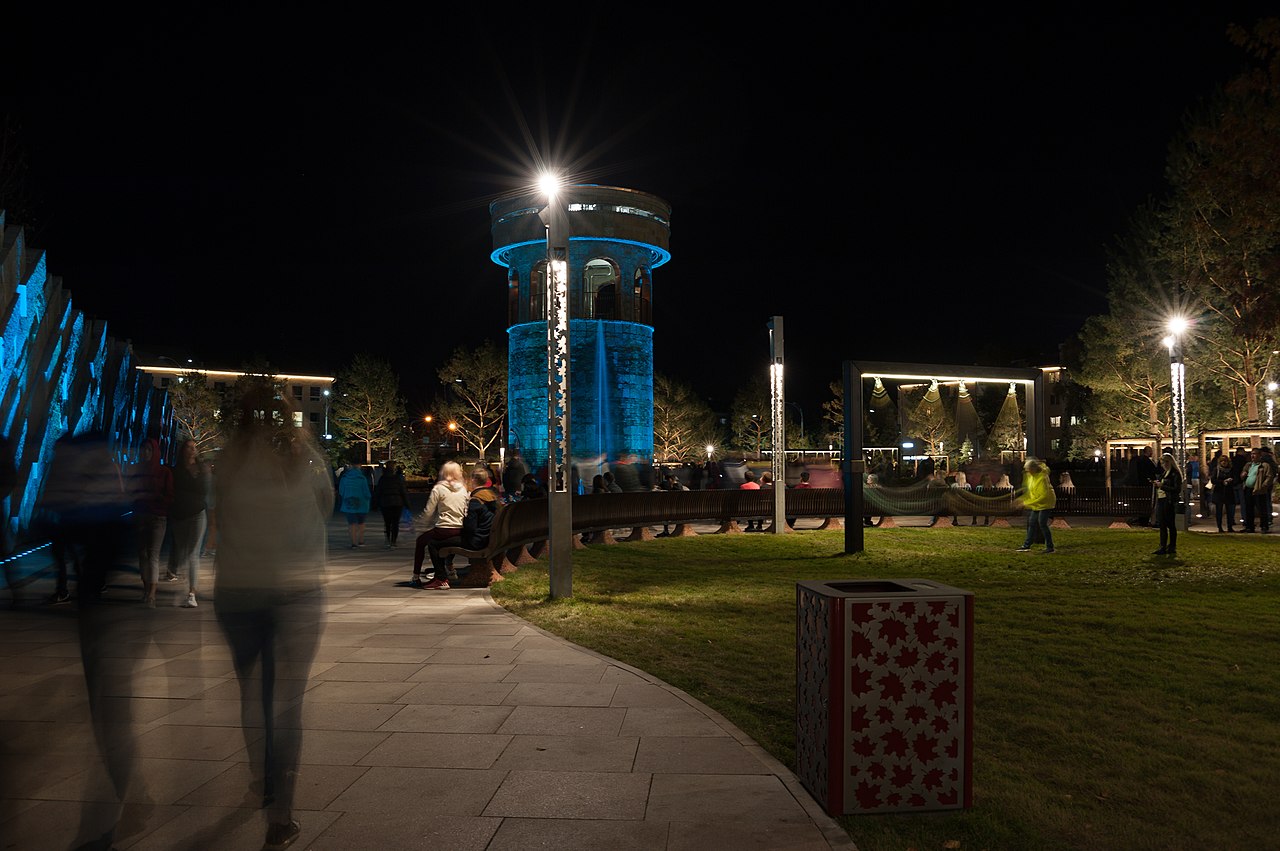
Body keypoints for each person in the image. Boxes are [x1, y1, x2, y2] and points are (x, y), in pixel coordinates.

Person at [214, 390, 333, 851]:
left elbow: (219, 510)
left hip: (238, 589)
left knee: (253, 694)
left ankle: (261, 777)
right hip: (296, 591)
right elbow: (326, 505)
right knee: (287, 702)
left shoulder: (229, 460)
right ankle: (280, 816)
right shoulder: (310, 461)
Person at [424, 465, 501, 589]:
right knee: (448, 540)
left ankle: (441, 579)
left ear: (473, 480)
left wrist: (462, 522)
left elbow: (470, 528)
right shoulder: (491, 496)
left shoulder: (476, 500)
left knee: (433, 544)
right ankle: (448, 570)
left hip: (477, 541)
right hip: (488, 538)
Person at [128, 437, 172, 606]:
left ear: (155, 452)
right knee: (142, 554)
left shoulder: (164, 472)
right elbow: (131, 491)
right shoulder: (137, 470)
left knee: (152, 555)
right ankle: (146, 589)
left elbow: (169, 495)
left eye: (149, 450)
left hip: (157, 517)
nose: (146, 453)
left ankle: (151, 594)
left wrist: (156, 498)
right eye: (143, 449)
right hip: (141, 516)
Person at [411, 461, 468, 588]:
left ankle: (416, 576)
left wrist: (422, 525)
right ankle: (449, 569)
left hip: (444, 528)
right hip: (459, 528)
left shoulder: (439, 488)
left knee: (421, 541)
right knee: (447, 542)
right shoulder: (463, 489)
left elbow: (429, 511)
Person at [169, 438, 210, 608]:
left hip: (198, 514)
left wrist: (203, 475)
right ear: (183, 450)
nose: (192, 450)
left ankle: (191, 594)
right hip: (179, 515)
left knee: (193, 553)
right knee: (184, 552)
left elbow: (206, 491)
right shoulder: (175, 470)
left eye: (194, 447)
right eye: (188, 447)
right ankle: (187, 587)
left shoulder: (202, 469)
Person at [1014, 457, 1056, 553]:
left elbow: (1043, 496)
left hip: (1046, 503)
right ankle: (1027, 545)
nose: (1027, 472)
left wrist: (1025, 503)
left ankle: (1050, 547)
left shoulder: (1042, 478)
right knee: (1032, 522)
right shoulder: (1031, 476)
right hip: (1037, 503)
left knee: (1042, 523)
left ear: (1033, 468)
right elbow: (1031, 492)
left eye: (1028, 469)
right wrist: (1021, 500)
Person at [374, 461, 410, 548]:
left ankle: (387, 539)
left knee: (387, 522)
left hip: (385, 503)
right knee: (395, 523)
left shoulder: (383, 479)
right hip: (397, 503)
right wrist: (407, 503)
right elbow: (403, 492)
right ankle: (393, 541)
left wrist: (375, 504)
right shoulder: (397, 478)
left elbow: (378, 492)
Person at [1153, 451, 1183, 555]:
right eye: (1162, 463)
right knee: (1162, 524)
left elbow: (1176, 489)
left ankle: (1171, 546)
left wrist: (1162, 486)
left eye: (1165, 462)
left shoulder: (1175, 474)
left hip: (1169, 500)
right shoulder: (1164, 473)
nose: (1163, 465)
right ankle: (1163, 546)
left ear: (1170, 462)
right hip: (1161, 499)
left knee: (1170, 524)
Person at [337, 461, 372, 547]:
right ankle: (361, 541)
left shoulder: (344, 478)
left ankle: (353, 542)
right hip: (362, 503)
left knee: (351, 523)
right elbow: (366, 492)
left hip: (348, 503)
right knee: (361, 522)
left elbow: (341, 491)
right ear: (359, 467)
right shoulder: (362, 478)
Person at [1250, 445, 1276, 534]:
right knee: (1255, 506)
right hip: (1253, 488)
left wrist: (1263, 486)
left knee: (1263, 506)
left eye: (1254, 454)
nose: (1252, 456)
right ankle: (1253, 525)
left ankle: (1265, 523)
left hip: (1261, 488)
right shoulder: (1250, 464)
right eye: (1252, 454)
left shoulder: (1265, 464)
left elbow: (1269, 476)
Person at [1210, 452, 1236, 532]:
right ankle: (1220, 527)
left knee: (1230, 511)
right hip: (1219, 492)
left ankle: (1230, 526)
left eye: (1225, 461)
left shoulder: (1231, 470)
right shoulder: (1217, 470)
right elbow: (1213, 480)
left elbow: (1235, 479)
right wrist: (1222, 482)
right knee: (1219, 510)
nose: (1224, 463)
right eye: (1222, 461)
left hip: (1229, 492)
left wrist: (1230, 481)